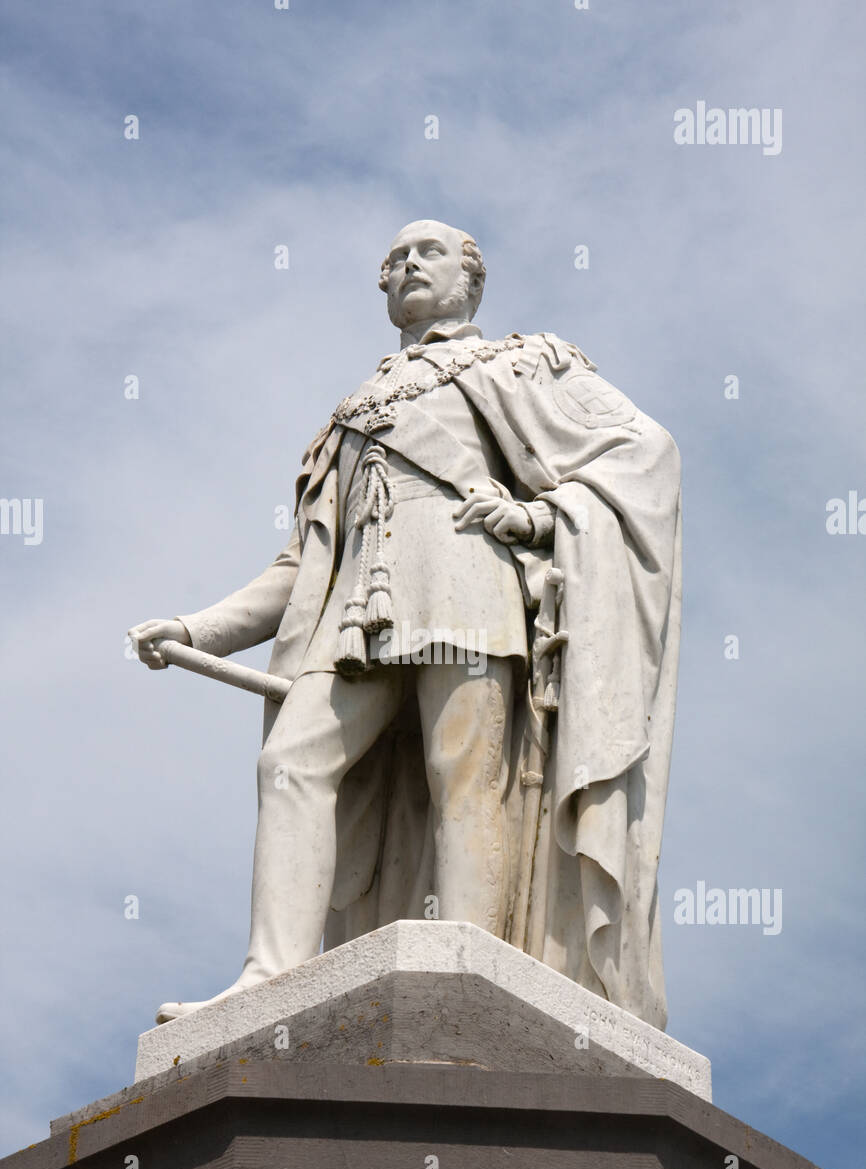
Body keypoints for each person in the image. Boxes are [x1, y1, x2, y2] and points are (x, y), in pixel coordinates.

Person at [130, 219, 682, 1030]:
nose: (405, 266)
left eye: (428, 252)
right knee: (290, 760)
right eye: (393, 260)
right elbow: (302, 566)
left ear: (473, 278)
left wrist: (537, 519)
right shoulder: (351, 417)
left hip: (470, 593)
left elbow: (645, 451)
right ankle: (269, 973)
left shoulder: (522, 365)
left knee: (463, 776)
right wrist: (197, 627)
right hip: (355, 618)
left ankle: (466, 973)